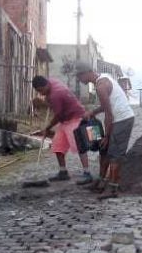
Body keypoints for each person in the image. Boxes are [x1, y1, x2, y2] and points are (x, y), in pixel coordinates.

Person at [74, 61, 136, 200]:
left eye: (79, 77)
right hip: (117, 118)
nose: (79, 80)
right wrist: (92, 113)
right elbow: (106, 105)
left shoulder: (101, 86)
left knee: (115, 154)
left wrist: (107, 136)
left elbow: (109, 113)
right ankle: (101, 181)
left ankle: (113, 188)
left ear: (87, 73)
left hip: (123, 120)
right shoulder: (102, 78)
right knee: (105, 150)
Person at [31, 75, 93, 184]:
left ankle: (87, 173)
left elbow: (58, 116)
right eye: (38, 91)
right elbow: (57, 110)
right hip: (65, 120)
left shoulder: (56, 95)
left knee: (80, 146)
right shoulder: (52, 82)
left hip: (75, 117)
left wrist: (47, 128)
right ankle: (63, 172)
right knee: (58, 146)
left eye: (41, 90)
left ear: (46, 85)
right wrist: (48, 100)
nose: (40, 94)